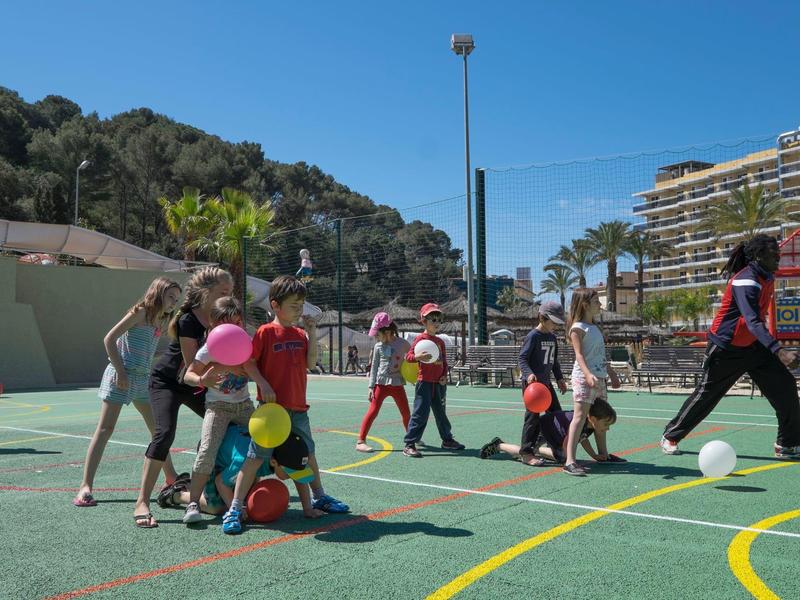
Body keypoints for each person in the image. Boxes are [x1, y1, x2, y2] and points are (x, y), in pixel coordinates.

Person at [222, 275, 349, 534]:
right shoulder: (265, 332)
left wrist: (312, 333)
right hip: (270, 414)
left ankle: (317, 498)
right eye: (294, 305)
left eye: (301, 305)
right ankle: (234, 508)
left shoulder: (300, 334)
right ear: (275, 305)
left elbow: (310, 363)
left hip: (298, 410)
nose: (299, 310)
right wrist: (264, 385)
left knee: (303, 456)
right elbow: (249, 363)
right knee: (254, 458)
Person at [660, 235, 800, 458]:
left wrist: (772, 348)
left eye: (779, 255)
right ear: (758, 256)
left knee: (786, 388)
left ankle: (787, 444)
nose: (778, 258)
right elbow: (752, 320)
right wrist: (778, 350)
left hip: (754, 347)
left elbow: (757, 322)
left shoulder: (768, 276)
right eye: (774, 255)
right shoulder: (745, 280)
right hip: (726, 347)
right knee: (708, 394)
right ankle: (671, 436)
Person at [132, 266, 233, 528]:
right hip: (169, 382)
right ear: (206, 292)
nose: (228, 297)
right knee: (164, 434)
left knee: (231, 421)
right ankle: (142, 501)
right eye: (223, 292)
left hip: (199, 385)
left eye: (231, 292)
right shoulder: (189, 319)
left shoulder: (224, 317)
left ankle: (215, 482)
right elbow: (192, 367)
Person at [74, 277, 182, 507]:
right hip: (120, 378)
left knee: (158, 432)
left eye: (176, 299)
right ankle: (85, 486)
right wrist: (121, 372)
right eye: (171, 296)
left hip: (142, 380)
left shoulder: (160, 321)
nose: (174, 302)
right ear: (159, 293)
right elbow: (109, 339)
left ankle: (170, 477)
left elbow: (145, 351)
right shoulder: (140, 312)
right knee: (105, 429)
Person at [179, 297, 272, 525]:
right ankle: (192, 502)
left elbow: (249, 365)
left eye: (236, 322)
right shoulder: (209, 348)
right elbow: (187, 376)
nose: (232, 328)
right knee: (208, 450)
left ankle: (247, 490)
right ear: (213, 326)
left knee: (262, 443)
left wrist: (264, 384)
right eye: (225, 324)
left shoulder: (245, 342)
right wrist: (202, 379)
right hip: (218, 407)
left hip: (244, 405)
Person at [157, 424, 313, 521]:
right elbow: (221, 481)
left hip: (233, 454)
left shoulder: (272, 453)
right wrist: (235, 507)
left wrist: (308, 509)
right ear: (274, 462)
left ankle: (191, 485)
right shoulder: (246, 461)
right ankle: (177, 494)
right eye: (290, 473)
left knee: (241, 491)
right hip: (214, 460)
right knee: (217, 508)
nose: (292, 477)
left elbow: (255, 473)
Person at [563, 289, 623, 476]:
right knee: (580, 418)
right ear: (585, 305)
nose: (600, 304)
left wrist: (611, 373)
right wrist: (588, 375)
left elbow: (600, 356)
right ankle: (570, 461)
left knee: (601, 417)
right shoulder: (577, 328)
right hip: (583, 377)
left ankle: (603, 455)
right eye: (596, 301)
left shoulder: (595, 327)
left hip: (599, 378)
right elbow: (579, 356)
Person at [403, 303, 465, 458]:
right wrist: (418, 357)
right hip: (424, 383)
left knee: (441, 413)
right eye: (433, 319)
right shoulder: (420, 339)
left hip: (439, 384)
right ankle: (409, 443)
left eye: (439, 320)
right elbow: (408, 357)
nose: (437, 323)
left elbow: (443, 362)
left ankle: (447, 440)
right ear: (424, 321)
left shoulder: (440, 342)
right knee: (420, 414)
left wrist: (444, 375)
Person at [480, 399, 618, 465]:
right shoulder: (580, 423)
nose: (607, 428)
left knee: (560, 456)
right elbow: (567, 444)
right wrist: (571, 461)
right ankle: (499, 445)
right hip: (544, 428)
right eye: (605, 424)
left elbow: (582, 439)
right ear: (593, 418)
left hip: (555, 433)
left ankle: (539, 451)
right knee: (528, 452)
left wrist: (593, 454)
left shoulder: (589, 424)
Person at [515, 300, 568, 467]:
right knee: (532, 418)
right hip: (533, 386)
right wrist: (529, 374)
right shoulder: (533, 336)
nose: (556, 326)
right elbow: (522, 358)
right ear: (542, 318)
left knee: (557, 415)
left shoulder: (552, 338)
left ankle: (556, 447)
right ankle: (526, 452)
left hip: (546, 384)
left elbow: (554, 362)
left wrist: (559, 378)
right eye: (553, 322)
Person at [355, 312, 411, 453]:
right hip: (380, 384)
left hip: (397, 384)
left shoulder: (403, 344)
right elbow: (374, 368)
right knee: (373, 411)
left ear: (387, 331)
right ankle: (361, 441)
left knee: (406, 413)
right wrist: (371, 386)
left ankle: (412, 438)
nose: (376, 337)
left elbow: (412, 358)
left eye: (377, 334)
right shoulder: (378, 347)